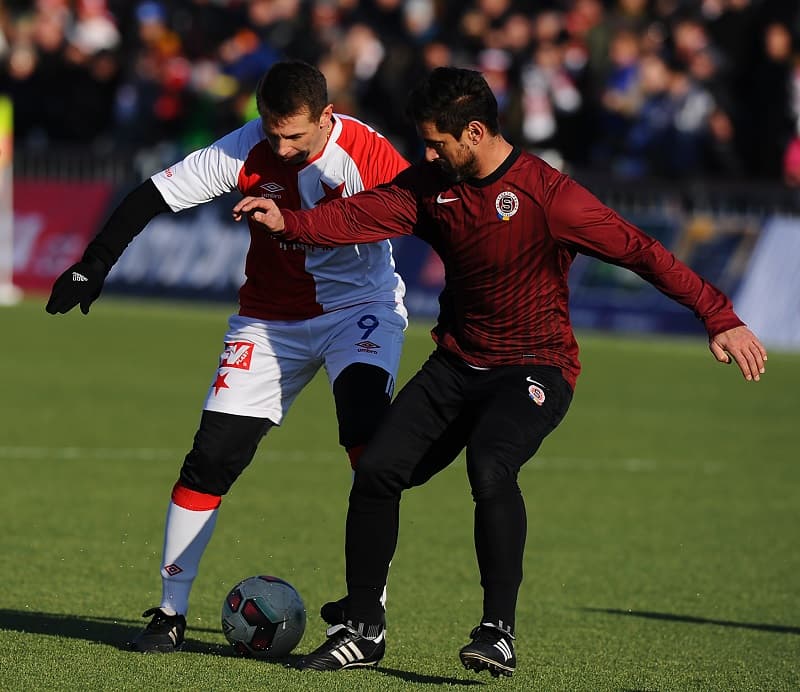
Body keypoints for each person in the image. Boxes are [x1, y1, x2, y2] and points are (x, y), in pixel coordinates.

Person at [232, 66, 768, 677]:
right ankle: (362, 626)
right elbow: (360, 216)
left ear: (476, 131)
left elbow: (639, 251)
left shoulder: (550, 195)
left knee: (490, 462)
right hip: (458, 364)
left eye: (436, 142)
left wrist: (719, 315)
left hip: (536, 369)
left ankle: (497, 631)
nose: (426, 153)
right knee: (377, 468)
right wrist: (290, 224)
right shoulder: (432, 185)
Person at [45, 59, 410, 653]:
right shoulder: (246, 148)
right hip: (269, 320)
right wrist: (95, 262)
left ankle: (364, 621)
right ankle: (169, 614)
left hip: (359, 309)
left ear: (327, 117)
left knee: (369, 446)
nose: (283, 147)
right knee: (210, 459)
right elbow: (153, 195)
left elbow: (430, 219)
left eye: (295, 135)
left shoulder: (368, 152)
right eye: (273, 133)